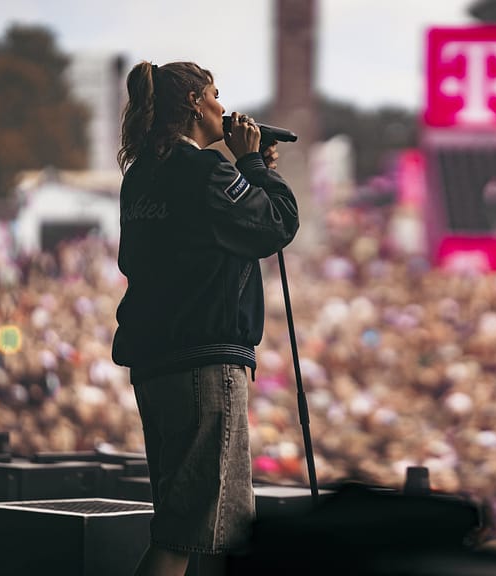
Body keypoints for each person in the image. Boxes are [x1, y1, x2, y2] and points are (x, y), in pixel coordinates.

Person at [112, 60, 299, 576]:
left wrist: (248, 167)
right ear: (195, 103)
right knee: (188, 531)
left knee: (186, 522)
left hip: (155, 363)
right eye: (216, 93)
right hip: (204, 365)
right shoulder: (205, 171)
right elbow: (276, 225)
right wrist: (255, 167)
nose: (224, 104)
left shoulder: (142, 175)